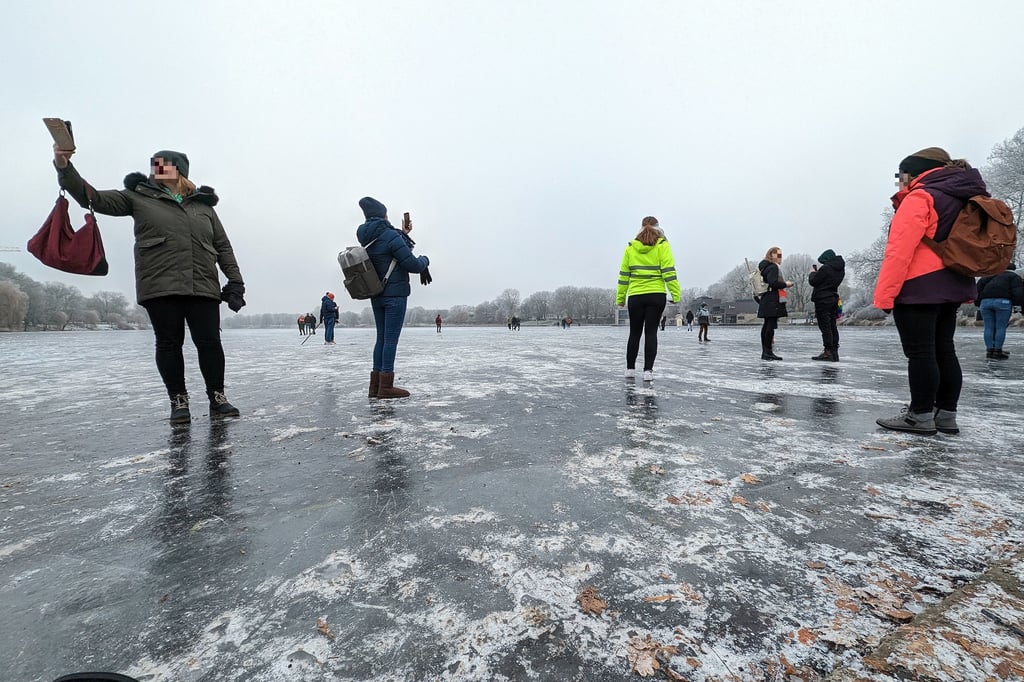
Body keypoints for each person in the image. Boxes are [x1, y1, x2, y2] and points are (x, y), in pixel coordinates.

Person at [52, 145, 244, 424]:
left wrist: (235, 281)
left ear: (179, 170)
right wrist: (64, 166)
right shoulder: (137, 197)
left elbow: (223, 246)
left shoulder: (203, 207)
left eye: (163, 164)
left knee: (210, 342)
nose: (157, 168)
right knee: (168, 343)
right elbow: (90, 197)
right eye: (154, 164)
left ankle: (218, 397)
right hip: (159, 284)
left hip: (202, 284)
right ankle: (179, 400)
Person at [873, 147, 983, 436]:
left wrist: (885, 295)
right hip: (952, 284)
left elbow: (899, 251)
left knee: (920, 352)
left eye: (902, 176)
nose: (900, 183)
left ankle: (919, 414)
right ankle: (946, 413)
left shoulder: (921, 197)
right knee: (944, 349)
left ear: (915, 172)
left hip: (919, 286)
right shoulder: (963, 196)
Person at [357, 197, 431, 399]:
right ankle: (386, 387)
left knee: (381, 338)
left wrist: (404, 234)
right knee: (390, 340)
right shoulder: (389, 236)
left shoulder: (368, 237)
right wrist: (425, 260)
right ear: (382, 214)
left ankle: (375, 386)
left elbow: (391, 249)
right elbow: (413, 264)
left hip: (376, 294)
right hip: (395, 295)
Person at [615, 216, 681, 382]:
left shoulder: (631, 247)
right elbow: (668, 271)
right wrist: (676, 294)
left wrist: (621, 297)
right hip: (656, 295)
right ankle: (648, 371)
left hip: (636, 296)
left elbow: (624, 275)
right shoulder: (662, 245)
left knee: (634, 333)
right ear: (658, 227)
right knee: (651, 332)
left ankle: (630, 369)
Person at [976, 262, 1022, 359]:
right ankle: (997, 351)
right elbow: (1018, 293)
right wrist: (1017, 304)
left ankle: (989, 351)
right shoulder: (1013, 277)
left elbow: (977, 290)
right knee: (1000, 327)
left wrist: (978, 303)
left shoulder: (987, 276)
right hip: (1003, 302)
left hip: (985, 302)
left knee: (988, 327)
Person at [808, 249, 846, 361]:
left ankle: (828, 351)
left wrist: (813, 272)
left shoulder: (826, 268)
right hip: (833, 298)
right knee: (832, 325)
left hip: (822, 300)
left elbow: (813, 281)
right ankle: (834, 351)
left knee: (825, 326)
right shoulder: (840, 270)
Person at [757, 247, 793, 360]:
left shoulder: (764, 267)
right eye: (778, 255)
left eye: (781, 255)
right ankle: (768, 352)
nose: (780, 257)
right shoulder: (772, 267)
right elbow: (773, 283)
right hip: (772, 299)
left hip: (766, 298)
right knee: (770, 326)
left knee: (767, 325)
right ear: (771, 255)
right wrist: (785, 284)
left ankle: (766, 352)